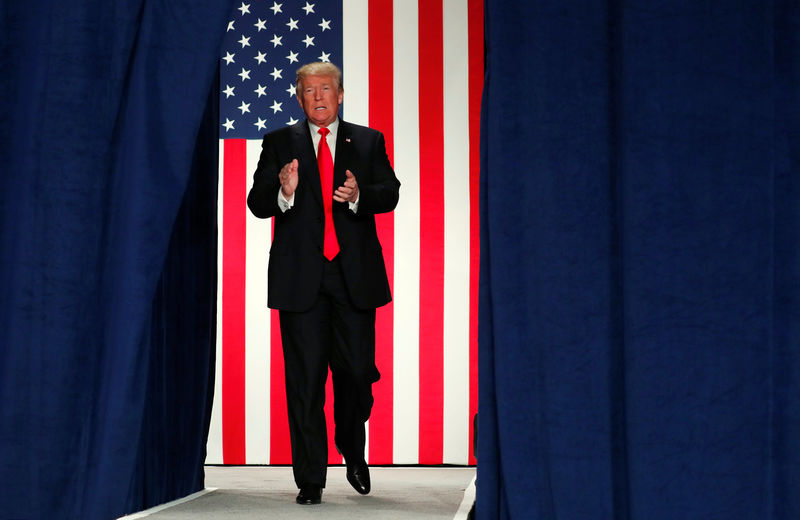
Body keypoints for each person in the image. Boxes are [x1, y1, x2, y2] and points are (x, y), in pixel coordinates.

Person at [247, 62, 400, 505]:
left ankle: (352, 447)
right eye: (309, 90)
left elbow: (389, 191)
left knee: (355, 373)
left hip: (353, 278)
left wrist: (359, 196)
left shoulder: (368, 140)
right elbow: (258, 203)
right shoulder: (280, 142)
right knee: (306, 382)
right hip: (301, 281)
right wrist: (285, 192)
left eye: (326, 89)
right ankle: (310, 477)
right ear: (299, 98)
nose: (318, 97)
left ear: (340, 94)